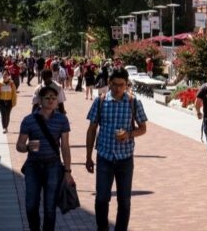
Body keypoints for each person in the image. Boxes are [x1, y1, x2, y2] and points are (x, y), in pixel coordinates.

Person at [86, 68, 148, 231]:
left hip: (125, 158)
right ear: (109, 83)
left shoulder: (133, 102)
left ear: (127, 84)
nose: (117, 88)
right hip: (104, 156)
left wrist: (129, 134)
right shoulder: (100, 101)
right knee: (101, 199)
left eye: (121, 85)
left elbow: (143, 128)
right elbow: (91, 129)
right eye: (114, 84)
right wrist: (88, 156)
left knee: (124, 201)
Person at [16, 85, 73, 231]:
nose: (51, 100)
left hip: (53, 166)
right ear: (40, 100)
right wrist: (27, 147)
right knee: (31, 205)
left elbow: (65, 146)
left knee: (50, 207)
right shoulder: (28, 120)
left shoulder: (62, 119)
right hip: (33, 166)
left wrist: (67, 171)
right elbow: (19, 145)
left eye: (54, 98)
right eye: (47, 97)